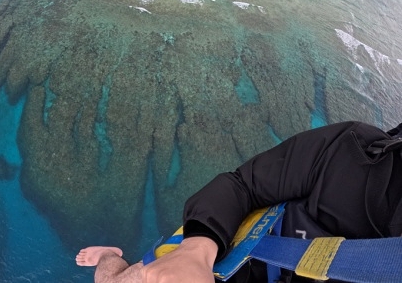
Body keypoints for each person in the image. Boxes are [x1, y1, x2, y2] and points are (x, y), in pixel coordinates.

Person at [76, 121, 402, 283]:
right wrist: (196, 252)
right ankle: (109, 255)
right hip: (232, 250)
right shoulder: (359, 154)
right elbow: (242, 185)